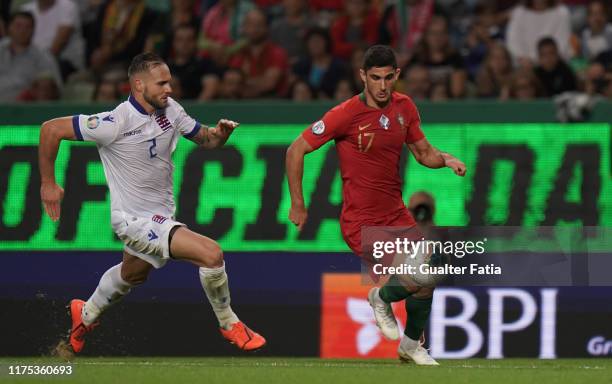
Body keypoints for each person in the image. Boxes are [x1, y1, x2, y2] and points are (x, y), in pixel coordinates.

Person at [39, 52, 266, 355]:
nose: (168, 89)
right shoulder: (114, 122)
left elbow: (207, 141)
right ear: (138, 85)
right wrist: (48, 184)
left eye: (169, 82)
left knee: (132, 274)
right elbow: (50, 129)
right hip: (133, 220)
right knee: (211, 255)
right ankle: (229, 324)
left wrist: (220, 135)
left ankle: (86, 314)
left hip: (159, 215)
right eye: (161, 83)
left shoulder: (171, 110)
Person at [285, 45, 466, 365]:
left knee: (427, 282)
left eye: (388, 78)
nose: (383, 86)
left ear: (397, 75)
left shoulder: (404, 107)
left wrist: (447, 159)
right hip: (361, 221)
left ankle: (411, 346)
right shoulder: (344, 114)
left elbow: (423, 153)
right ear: (362, 77)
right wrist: (298, 203)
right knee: (416, 279)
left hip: (397, 214)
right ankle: (379, 298)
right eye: (375, 78)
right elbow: (295, 150)